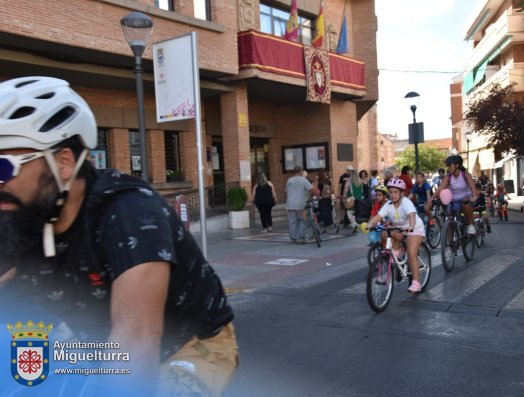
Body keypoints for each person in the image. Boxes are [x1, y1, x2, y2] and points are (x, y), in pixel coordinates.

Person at [0, 77, 237, 396]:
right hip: (91, 337)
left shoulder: (130, 214)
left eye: (3, 167)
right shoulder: (17, 212)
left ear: (64, 162)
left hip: (187, 343)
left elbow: (135, 340)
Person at [368, 178, 426, 293]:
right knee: (384, 233)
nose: (393, 195)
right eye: (391, 192)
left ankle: (416, 283)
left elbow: (412, 215)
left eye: (395, 192)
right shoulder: (388, 204)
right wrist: (370, 224)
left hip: (414, 230)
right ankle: (397, 250)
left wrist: (412, 225)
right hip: (400, 230)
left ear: (401, 193)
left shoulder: (406, 202)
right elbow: (378, 216)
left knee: (411, 254)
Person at [427, 155, 478, 235]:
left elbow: (472, 186)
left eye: (449, 165)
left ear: (457, 165)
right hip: (453, 199)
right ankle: (451, 244)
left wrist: (474, 196)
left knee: (466, 206)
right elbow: (440, 188)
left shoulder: (465, 174)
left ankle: (471, 225)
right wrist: (432, 198)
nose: (448, 167)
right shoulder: (448, 177)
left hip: (466, 198)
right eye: (447, 166)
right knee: (449, 218)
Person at [286, 165, 314, 244]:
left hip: (290, 204)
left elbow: (287, 191)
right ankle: (301, 237)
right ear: (301, 172)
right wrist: (317, 196)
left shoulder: (289, 180)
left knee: (292, 222)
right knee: (302, 220)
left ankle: (293, 238)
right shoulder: (303, 180)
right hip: (300, 204)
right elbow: (312, 189)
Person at [344, 168, 365, 232]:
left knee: (349, 212)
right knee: (355, 213)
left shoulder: (349, 181)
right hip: (360, 199)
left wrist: (344, 197)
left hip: (352, 200)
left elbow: (345, 190)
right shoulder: (361, 181)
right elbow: (362, 191)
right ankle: (356, 224)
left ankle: (354, 224)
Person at [336, 165, 353, 230]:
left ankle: (349, 221)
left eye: (351, 170)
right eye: (349, 170)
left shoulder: (353, 176)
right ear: (346, 170)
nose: (350, 171)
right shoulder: (342, 177)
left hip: (350, 195)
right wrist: (339, 194)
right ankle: (343, 220)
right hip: (343, 195)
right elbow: (340, 186)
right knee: (343, 208)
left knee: (350, 208)